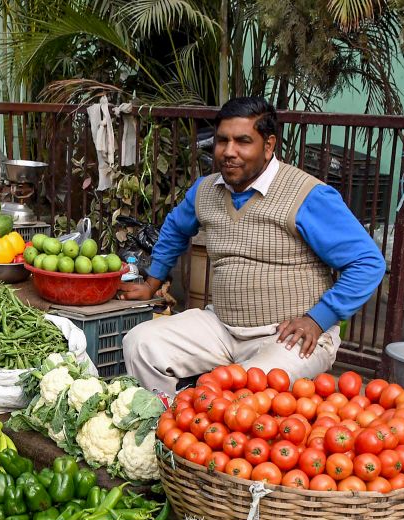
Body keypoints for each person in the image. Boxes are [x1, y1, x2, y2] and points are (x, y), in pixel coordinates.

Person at [120, 97, 386, 396]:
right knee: (140, 343)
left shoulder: (307, 195)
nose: (229, 152)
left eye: (243, 141)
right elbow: (174, 228)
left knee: (242, 392)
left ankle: (196, 424)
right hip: (220, 326)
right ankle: (165, 420)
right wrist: (152, 282)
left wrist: (317, 319)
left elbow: (367, 262)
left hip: (287, 338)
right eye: (222, 141)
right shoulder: (205, 190)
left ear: (268, 145)